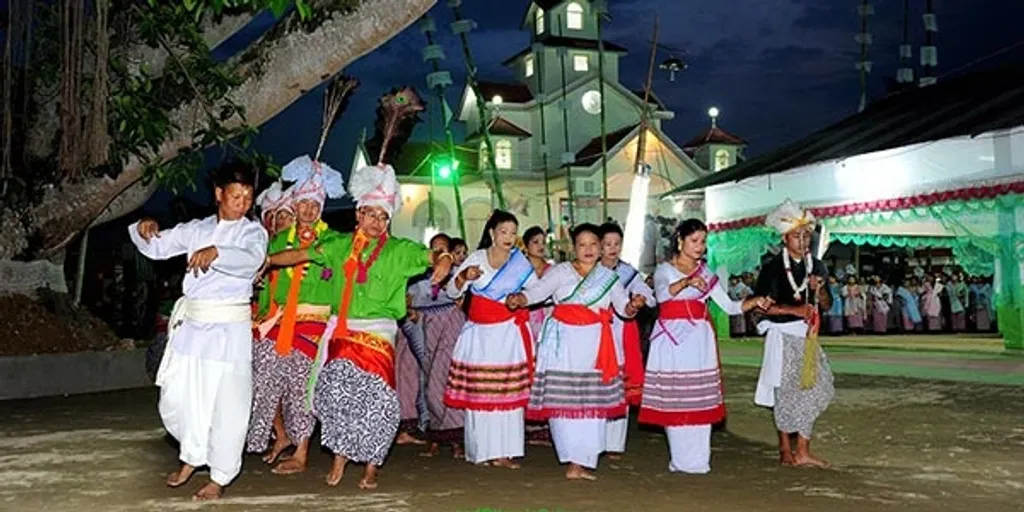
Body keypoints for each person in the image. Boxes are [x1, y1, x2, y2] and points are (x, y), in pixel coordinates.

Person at [269, 164, 453, 489]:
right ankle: (340, 458)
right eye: (371, 215)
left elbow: (433, 254)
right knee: (337, 395)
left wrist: (445, 260)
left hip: (379, 335)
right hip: (343, 332)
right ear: (358, 214)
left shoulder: (399, 250)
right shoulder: (339, 246)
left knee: (378, 401)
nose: (377, 222)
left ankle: (371, 466)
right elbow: (299, 254)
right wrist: (267, 261)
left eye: (383, 217)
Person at [130, 162, 267, 500]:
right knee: (180, 397)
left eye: (248, 197)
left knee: (227, 403)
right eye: (236, 196)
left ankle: (219, 476)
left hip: (229, 331)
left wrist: (218, 252)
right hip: (193, 327)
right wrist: (145, 227)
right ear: (219, 194)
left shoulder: (253, 233)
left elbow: (250, 260)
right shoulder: (197, 229)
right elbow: (159, 246)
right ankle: (191, 455)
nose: (243, 203)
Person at [508, 223, 646, 481]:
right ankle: (572, 460)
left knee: (593, 404)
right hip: (564, 344)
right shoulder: (561, 272)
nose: (589, 250)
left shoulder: (608, 277)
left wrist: (634, 305)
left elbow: (623, 309)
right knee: (565, 402)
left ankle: (584, 460)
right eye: (582, 244)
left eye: (594, 244)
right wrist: (520, 299)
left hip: (596, 345)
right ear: (573, 247)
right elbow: (537, 293)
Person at [637, 219, 771, 473]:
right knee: (677, 396)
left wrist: (754, 302)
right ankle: (680, 459)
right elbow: (663, 295)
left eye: (703, 241)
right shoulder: (665, 270)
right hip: (672, 339)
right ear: (680, 241)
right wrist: (687, 282)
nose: (700, 247)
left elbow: (730, 306)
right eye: (694, 241)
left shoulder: (707, 273)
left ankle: (698, 460)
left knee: (697, 397)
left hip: (699, 339)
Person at [248, 155, 345, 474]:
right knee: (260, 371)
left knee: (300, 385)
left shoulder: (331, 241)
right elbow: (265, 284)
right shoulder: (277, 240)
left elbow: (300, 257)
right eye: (304, 204)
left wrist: (269, 261)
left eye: (315, 205)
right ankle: (277, 434)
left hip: (315, 323)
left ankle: (301, 453)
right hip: (279, 321)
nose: (309, 210)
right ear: (296, 204)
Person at [444, 210, 535, 469]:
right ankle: (482, 451)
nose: (508, 237)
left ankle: (505, 452)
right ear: (492, 233)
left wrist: (521, 299)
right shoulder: (476, 258)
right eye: (503, 231)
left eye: (513, 233)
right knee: (482, 392)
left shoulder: (520, 263)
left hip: (508, 332)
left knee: (508, 392)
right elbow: (452, 290)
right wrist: (463, 277)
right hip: (480, 334)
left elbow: (536, 289)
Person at [752, 199, 834, 468]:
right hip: (783, 336)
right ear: (785, 238)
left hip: (808, 337)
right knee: (786, 393)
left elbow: (827, 304)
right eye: (797, 235)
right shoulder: (772, 268)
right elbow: (760, 308)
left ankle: (803, 450)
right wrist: (795, 310)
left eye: (807, 235)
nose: (803, 240)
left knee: (817, 388)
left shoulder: (818, 266)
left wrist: (819, 288)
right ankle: (786, 449)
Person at [598, 222, 655, 459]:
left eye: (617, 244)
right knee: (598, 384)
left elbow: (649, 297)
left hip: (621, 331)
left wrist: (641, 298)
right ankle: (595, 440)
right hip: (596, 332)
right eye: (607, 244)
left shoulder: (627, 272)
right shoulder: (590, 271)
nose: (613, 248)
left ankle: (614, 444)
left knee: (619, 384)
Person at [410, 233, 468, 459]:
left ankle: (455, 439)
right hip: (427, 325)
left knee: (447, 378)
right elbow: (410, 300)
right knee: (429, 379)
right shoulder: (419, 276)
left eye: (444, 248)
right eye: (435, 248)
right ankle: (435, 434)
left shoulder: (457, 276)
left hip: (451, 323)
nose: (439, 253)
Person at [522, 226, 553, 447]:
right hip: (525, 324)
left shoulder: (555, 270)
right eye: (535, 242)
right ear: (525, 245)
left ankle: (544, 423)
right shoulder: (519, 270)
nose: (541, 246)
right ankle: (527, 423)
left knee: (546, 371)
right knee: (526, 371)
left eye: (543, 242)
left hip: (549, 325)